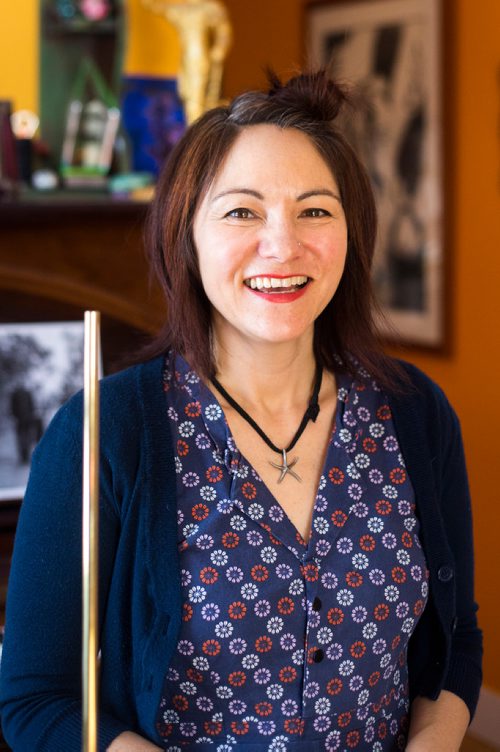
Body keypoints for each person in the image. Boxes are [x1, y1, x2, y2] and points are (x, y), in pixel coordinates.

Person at [0, 71, 482, 751]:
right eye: (242, 211)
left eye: (316, 210)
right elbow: (36, 700)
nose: (283, 245)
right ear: (185, 236)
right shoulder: (106, 433)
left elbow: (457, 639)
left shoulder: (415, 413)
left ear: (352, 230)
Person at [143, 0, 232, 124]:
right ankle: (194, 129)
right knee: (186, 95)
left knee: (197, 99)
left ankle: (196, 129)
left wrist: (218, 50)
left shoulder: (209, 8)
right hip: (185, 62)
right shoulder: (182, 10)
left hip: (200, 59)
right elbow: (157, 8)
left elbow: (223, 32)